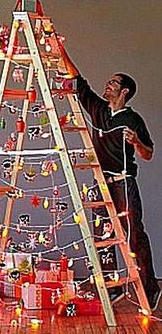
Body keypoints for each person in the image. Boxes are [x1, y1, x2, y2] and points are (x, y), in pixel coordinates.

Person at [58, 40, 161, 310]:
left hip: (123, 183)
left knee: (134, 235)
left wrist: (137, 142)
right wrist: (60, 48)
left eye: (114, 83)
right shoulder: (98, 110)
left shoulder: (133, 119)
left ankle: (151, 289)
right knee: (103, 237)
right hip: (100, 183)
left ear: (124, 91)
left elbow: (148, 153)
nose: (108, 85)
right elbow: (77, 78)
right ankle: (112, 287)